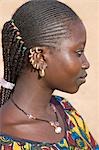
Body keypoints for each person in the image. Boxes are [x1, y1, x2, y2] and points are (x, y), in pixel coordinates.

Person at [0, 0, 99, 149]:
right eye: (78, 53)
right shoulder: (6, 140)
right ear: (40, 57)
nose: (86, 64)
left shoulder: (65, 110)